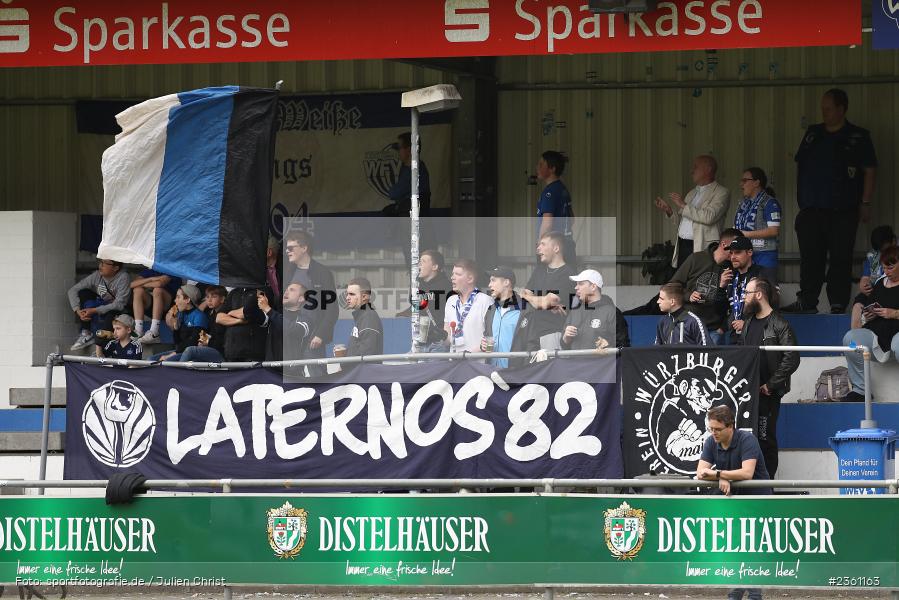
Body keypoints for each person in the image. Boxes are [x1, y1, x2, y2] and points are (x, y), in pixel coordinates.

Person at [785, 88, 878, 315]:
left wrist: (865, 203)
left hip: (843, 210)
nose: (824, 112)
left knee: (840, 258)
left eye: (828, 108)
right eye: (822, 108)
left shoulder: (858, 136)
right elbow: (800, 165)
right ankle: (807, 301)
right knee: (810, 259)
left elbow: (870, 170)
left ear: (841, 109)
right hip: (812, 209)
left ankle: (838, 303)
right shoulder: (813, 134)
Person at [697, 404, 771, 600]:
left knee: (752, 549)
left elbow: (747, 473)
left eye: (718, 429)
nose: (714, 433)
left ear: (731, 426)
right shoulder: (711, 442)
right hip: (733, 502)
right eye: (711, 428)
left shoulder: (748, 440)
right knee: (733, 547)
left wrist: (719, 474)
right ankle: (735, 593)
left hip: (756, 502)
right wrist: (721, 477)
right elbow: (701, 473)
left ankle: (754, 595)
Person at [734, 278, 799, 478]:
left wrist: (770, 385)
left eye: (747, 293)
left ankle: (766, 483)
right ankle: (752, 481)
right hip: (748, 392)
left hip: (767, 394)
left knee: (764, 437)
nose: (743, 298)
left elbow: (792, 357)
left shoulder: (779, 323)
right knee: (747, 437)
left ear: (759, 295)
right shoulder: (748, 323)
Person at [842, 245, 899, 402]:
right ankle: (861, 390)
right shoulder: (880, 283)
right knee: (850, 340)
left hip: (896, 340)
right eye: (884, 268)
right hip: (876, 338)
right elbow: (868, 305)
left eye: (891, 267)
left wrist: (894, 313)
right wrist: (867, 316)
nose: (887, 271)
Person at [654, 155, 731, 269]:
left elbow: (709, 217)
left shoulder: (721, 192)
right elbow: (684, 221)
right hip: (683, 245)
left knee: (699, 283)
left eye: (695, 167)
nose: (692, 171)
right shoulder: (691, 193)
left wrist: (682, 205)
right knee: (684, 284)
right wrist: (669, 211)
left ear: (708, 169)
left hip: (702, 246)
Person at [670, 228, 742, 344]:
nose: (736, 252)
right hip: (689, 326)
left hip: (714, 330)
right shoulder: (696, 259)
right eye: (735, 247)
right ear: (724, 244)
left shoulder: (733, 269)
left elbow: (734, 302)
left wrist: (723, 328)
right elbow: (672, 287)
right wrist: (689, 295)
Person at [283, 230, 338, 360]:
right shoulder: (287, 272)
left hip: (312, 338)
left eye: (291, 248)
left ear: (304, 248)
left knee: (315, 376)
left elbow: (331, 309)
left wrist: (321, 334)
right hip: (289, 336)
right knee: (289, 376)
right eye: (286, 248)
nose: (287, 251)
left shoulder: (322, 273)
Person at [520, 231, 577, 351]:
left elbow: (547, 302)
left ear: (556, 248)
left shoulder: (567, 273)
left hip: (553, 332)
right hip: (533, 333)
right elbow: (524, 294)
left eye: (543, 244)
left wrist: (543, 302)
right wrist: (540, 302)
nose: (538, 248)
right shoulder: (539, 271)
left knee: (550, 368)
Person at [68, 258, 131, 351]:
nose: (101, 266)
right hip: (104, 305)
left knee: (113, 311)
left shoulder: (123, 277)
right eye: (101, 262)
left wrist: (95, 310)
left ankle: (101, 347)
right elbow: (73, 290)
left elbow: (119, 305)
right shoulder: (97, 275)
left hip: (121, 311)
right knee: (83, 292)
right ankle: (86, 333)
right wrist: (78, 311)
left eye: (105, 264)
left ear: (116, 268)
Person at [734, 167, 781, 283]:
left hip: (765, 256)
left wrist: (745, 234)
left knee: (766, 292)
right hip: (746, 255)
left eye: (745, 181)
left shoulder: (769, 202)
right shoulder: (743, 204)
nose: (741, 184)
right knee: (747, 294)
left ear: (756, 183)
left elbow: (774, 231)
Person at [562, 269, 629, 350]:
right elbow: (563, 345)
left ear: (593, 287)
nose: (576, 287)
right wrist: (566, 338)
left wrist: (608, 345)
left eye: (581, 284)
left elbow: (624, 346)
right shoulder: (574, 311)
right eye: (576, 284)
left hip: (602, 362)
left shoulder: (612, 312)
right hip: (575, 362)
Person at [714, 236, 763, 338]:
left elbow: (770, 309)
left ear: (749, 252)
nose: (733, 257)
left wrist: (747, 323)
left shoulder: (761, 274)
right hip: (733, 336)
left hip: (755, 335)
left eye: (737, 252)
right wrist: (721, 287)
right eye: (731, 253)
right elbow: (720, 310)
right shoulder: (729, 276)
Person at [851, 226, 896, 329]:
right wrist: (864, 285)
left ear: (893, 241)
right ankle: (856, 338)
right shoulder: (873, 256)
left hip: (894, 290)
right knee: (859, 303)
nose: (883, 253)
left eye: (885, 249)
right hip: (877, 291)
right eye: (880, 251)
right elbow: (866, 277)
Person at [445, 259, 493, 353]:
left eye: (457, 274)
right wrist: (439, 337)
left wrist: (468, 355)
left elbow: (491, 340)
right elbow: (447, 338)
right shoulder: (451, 301)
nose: (452, 277)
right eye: (452, 274)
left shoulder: (486, 301)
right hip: (455, 363)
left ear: (470, 279)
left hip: (477, 365)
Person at [535, 150, 575, 263]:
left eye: (541, 164)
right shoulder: (563, 189)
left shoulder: (549, 192)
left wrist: (540, 243)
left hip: (552, 249)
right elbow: (572, 219)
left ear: (552, 169)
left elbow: (547, 223)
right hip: (567, 244)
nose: (537, 167)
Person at [481, 266, 525, 368]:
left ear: (506, 282)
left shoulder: (525, 310)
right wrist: (483, 346)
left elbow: (531, 345)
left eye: (493, 280)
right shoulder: (491, 310)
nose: (489, 284)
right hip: (492, 373)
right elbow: (487, 337)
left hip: (516, 375)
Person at [413, 249, 454, 352]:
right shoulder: (417, 286)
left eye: (423, 261)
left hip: (439, 342)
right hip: (420, 342)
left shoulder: (448, 287)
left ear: (435, 267)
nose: (419, 264)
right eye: (419, 261)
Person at [155, 285, 209, 362]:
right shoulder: (180, 314)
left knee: (166, 361)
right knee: (151, 359)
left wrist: (172, 354)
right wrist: (176, 328)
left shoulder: (200, 316)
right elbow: (178, 342)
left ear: (187, 300)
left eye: (178, 297)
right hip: (181, 351)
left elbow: (194, 342)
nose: (175, 300)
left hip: (195, 353)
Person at [386, 132, 431, 217]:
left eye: (399, 148)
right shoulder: (410, 168)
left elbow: (394, 193)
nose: (398, 151)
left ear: (409, 149)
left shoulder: (415, 170)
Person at [179, 285, 227, 363]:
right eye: (207, 297)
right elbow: (207, 334)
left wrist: (206, 342)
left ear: (222, 299)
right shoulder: (211, 315)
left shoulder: (225, 314)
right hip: (209, 350)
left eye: (214, 297)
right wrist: (201, 342)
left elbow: (220, 340)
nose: (209, 300)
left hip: (221, 353)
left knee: (190, 350)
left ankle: (177, 374)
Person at [131, 269, 180, 344]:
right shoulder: (152, 269)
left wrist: (143, 282)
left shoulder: (171, 269)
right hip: (152, 307)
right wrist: (152, 279)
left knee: (157, 290)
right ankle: (138, 330)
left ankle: (154, 332)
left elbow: (159, 284)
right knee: (137, 290)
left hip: (169, 309)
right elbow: (132, 284)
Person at [345, 277, 383, 358]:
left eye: (352, 294)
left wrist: (344, 361)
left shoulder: (369, 316)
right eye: (347, 294)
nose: (347, 297)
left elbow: (367, 351)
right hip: (358, 369)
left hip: (364, 370)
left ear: (364, 297)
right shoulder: (363, 316)